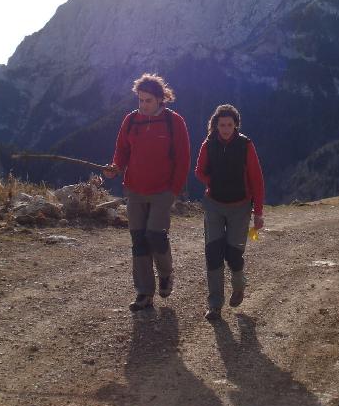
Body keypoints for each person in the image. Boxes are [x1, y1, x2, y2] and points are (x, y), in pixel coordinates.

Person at [103, 73, 191, 312]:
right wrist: (116, 167)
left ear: (161, 100)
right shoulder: (131, 121)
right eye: (140, 100)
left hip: (163, 191)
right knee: (138, 240)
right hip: (135, 190)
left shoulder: (175, 122)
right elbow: (122, 151)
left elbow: (183, 159)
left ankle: (166, 274)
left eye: (148, 100)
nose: (143, 105)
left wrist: (174, 190)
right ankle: (144, 293)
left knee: (155, 235)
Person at [194, 104, 265, 321]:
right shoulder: (208, 144)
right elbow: (199, 171)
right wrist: (212, 182)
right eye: (221, 125)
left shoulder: (245, 145)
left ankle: (238, 283)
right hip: (214, 204)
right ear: (215, 125)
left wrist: (258, 212)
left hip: (240, 207)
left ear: (236, 126)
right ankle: (215, 304)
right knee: (213, 253)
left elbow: (257, 179)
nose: (225, 129)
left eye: (229, 125)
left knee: (234, 253)